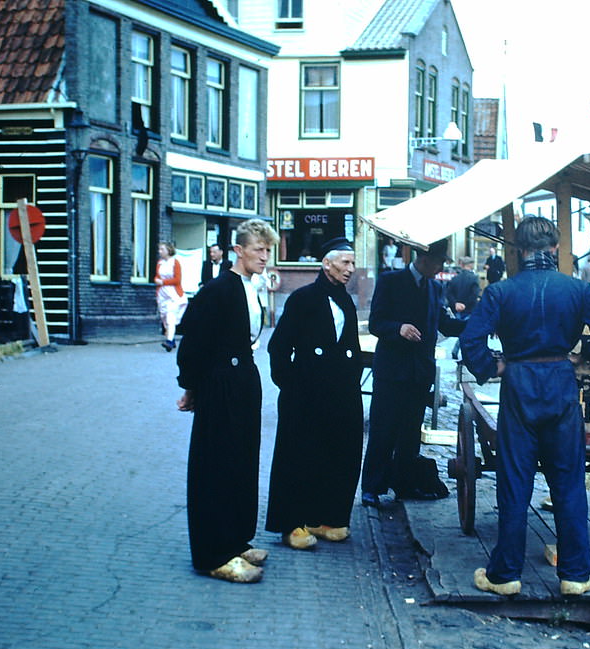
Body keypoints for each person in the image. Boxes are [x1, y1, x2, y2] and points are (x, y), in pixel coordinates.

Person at [460, 215, 590, 597]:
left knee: (515, 482)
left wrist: (494, 366)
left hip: (518, 385)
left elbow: (470, 343)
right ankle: (575, 575)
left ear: (519, 252)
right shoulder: (578, 290)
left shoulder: (501, 292)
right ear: (554, 249)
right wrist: (583, 355)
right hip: (560, 385)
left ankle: (505, 575)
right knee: (568, 482)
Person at [175, 218, 278, 583]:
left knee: (242, 460)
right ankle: (213, 553)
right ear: (239, 250)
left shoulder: (253, 286)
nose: (265, 256)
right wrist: (190, 386)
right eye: (258, 250)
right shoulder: (218, 289)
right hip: (220, 380)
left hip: (244, 377)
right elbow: (193, 343)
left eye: (268, 250)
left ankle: (235, 539)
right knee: (216, 464)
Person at [265, 237, 363, 550]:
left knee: (340, 453)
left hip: (342, 393)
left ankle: (327, 518)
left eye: (352, 262)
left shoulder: (346, 300)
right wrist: (291, 385)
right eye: (345, 262)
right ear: (326, 263)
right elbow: (279, 347)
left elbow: (350, 346)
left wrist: (352, 377)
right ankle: (291, 523)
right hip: (305, 393)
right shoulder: (303, 299)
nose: (351, 269)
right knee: (298, 456)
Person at [360, 239, 466, 507]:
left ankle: (404, 485)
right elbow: (376, 323)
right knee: (383, 430)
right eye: (440, 261)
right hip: (392, 372)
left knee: (410, 435)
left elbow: (446, 325)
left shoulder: (435, 287)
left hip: (420, 374)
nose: (441, 267)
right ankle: (372, 487)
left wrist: (480, 322)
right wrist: (399, 328)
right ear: (425, 259)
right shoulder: (391, 281)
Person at [445, 255, 481, 360]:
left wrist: (456, 303)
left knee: (462, 330)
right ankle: (460, 351)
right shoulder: (474, 278)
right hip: (469, 309)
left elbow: (449, 293)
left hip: (457, 309)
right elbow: (474, 295)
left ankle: (456, 351)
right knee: (466, 331)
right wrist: (465, 304)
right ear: (470, 265)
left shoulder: (455, 279)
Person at [155, 241, 188, 352]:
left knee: (170, 317)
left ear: (168, 250)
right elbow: (157, 276)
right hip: (162, 295)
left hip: (173, 294)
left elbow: (177, 279)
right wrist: (156, 280)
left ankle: (169, 341)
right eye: (159, 249)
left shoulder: (175, 262)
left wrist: (163, 282)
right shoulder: (160, 263)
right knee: (165, 318)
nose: (160, 252)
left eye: (162, 249)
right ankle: (172, 339)